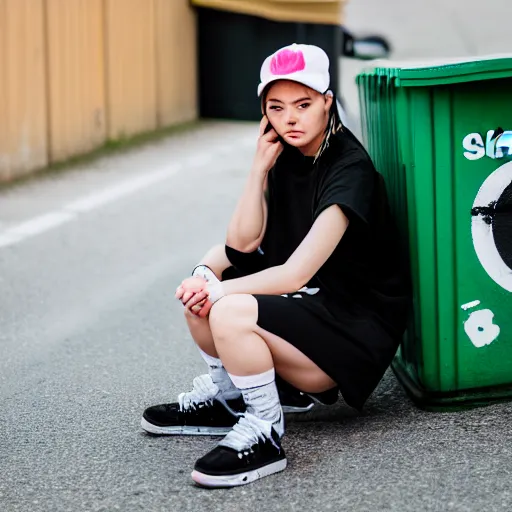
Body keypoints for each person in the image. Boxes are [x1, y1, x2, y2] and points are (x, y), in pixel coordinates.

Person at [141, 43, 410, 488]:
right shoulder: (284, 155)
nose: (291, 119)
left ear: (327, 100)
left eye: (304, 105)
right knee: (208, 275)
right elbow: (241, 245)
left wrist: (221, 293)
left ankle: (265, 429)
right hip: (315, 310)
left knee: (227, 304)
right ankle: (230, 398)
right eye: (277, 107)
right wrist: (258, 167)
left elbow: (296, 272)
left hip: (353, 334)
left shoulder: (349, 169)